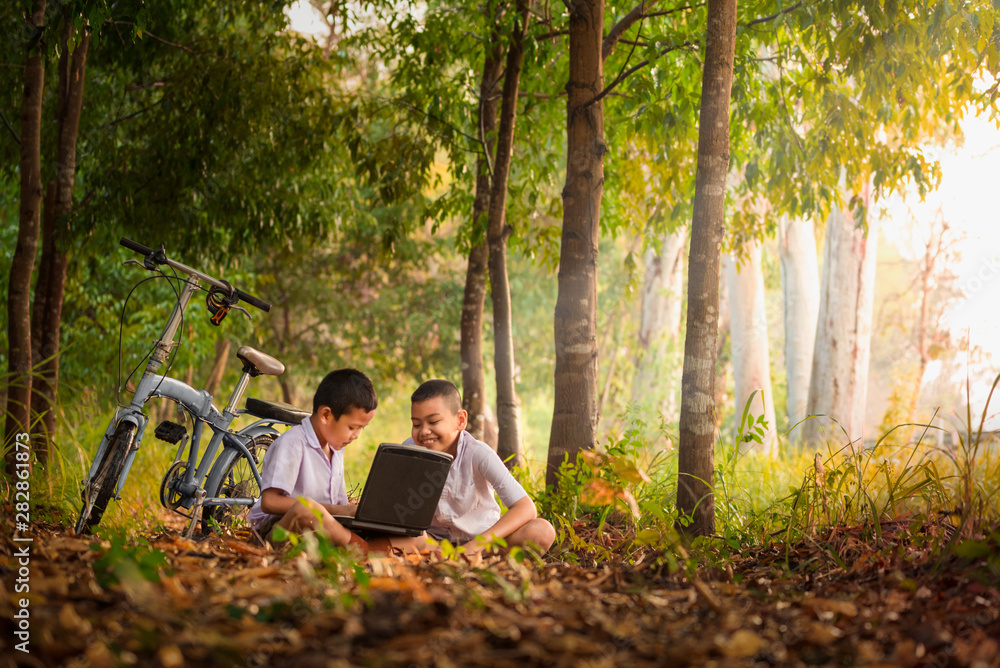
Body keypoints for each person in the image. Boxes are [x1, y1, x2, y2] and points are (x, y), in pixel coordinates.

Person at [399, 379, 556, 556]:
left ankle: (470, 556)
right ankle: (444, 555)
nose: (424, 432)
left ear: (460, 420)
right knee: (385, 535)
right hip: (431, 542)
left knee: (542, 531)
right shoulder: (409, 451)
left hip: (483, 543)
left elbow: (525, 507)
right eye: (417, 425)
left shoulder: (478, 454)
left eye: (433, 422)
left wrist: (474, 546)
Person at [247, 368, 392, 554]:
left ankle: (363, 545)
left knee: (413, 535)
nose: (355, 436)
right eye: (352, 427)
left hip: (320, 528)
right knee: (306, 510)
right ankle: (364, 550)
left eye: (361, 429)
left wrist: (355, 513)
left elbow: (338, 508)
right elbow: (270, 502)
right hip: (277, 530)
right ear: (326, 415)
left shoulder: (336, 449)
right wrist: (333, 510)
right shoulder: (293, 443)